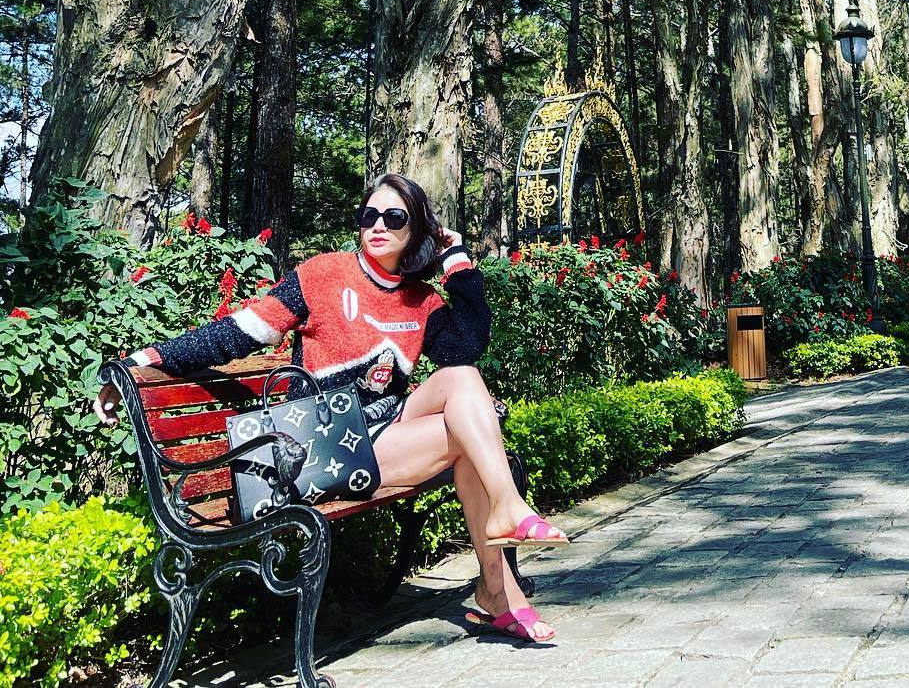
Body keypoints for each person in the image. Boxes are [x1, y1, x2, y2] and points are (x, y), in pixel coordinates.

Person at [95, 172, 561, 645]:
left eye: (394, 217)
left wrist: (456, 260)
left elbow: (466, 347)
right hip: (326, 444)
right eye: (369, 215)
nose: (378, 225)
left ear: (416, 230)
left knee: (462, 377)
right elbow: (238, 333)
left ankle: (503, 538)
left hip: (387, 430)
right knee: (473, 442)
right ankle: (499, 581)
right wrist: (141, 361)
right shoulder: (322, 275)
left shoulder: (421, 300)